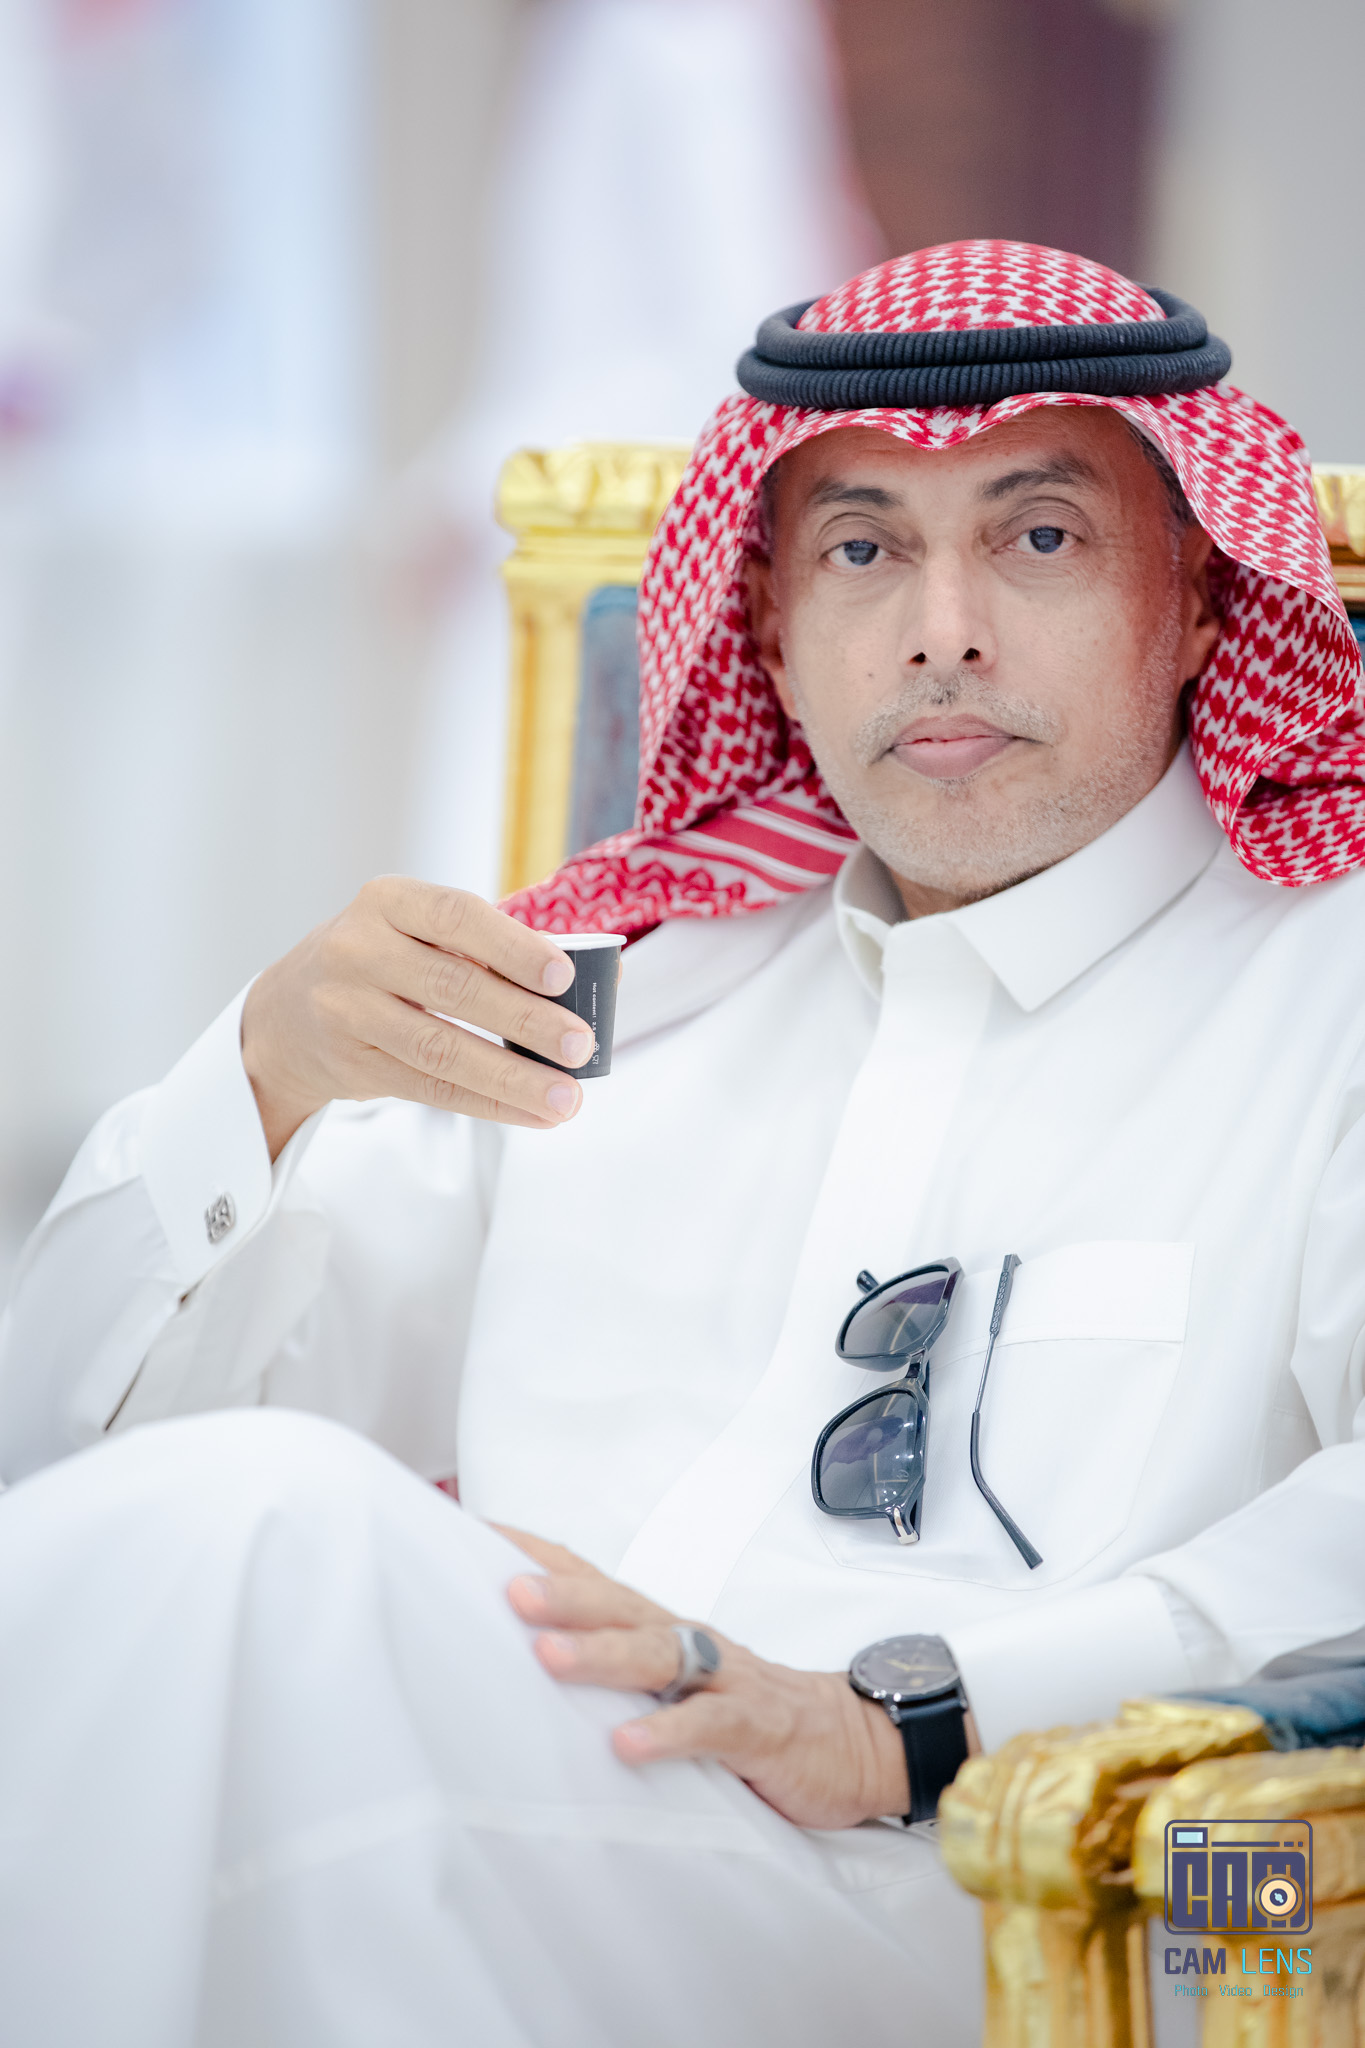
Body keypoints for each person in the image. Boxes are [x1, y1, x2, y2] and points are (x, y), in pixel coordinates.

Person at [2, 239, 1365, 2046]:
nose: (942, 629)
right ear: (770, 632)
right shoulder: (615, 983)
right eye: (862, 550)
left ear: (1197, 597)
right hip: (551, 1841)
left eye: (1038, 537)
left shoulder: (1330, 987)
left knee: (261, 1552)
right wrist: (258, 1081)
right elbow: (69, 1475)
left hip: (1048, 1907)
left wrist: (913, 1714)